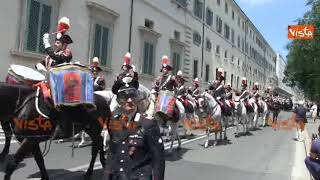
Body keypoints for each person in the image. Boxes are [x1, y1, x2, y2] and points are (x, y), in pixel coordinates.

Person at [104, 78, 165, 180]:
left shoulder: (149, 124)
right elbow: (112, 153)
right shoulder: (113, 122)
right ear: (118, 101)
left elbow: (158, 159)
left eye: (133, 96)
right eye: (124, 97)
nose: (129, 100)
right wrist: (106, 177)